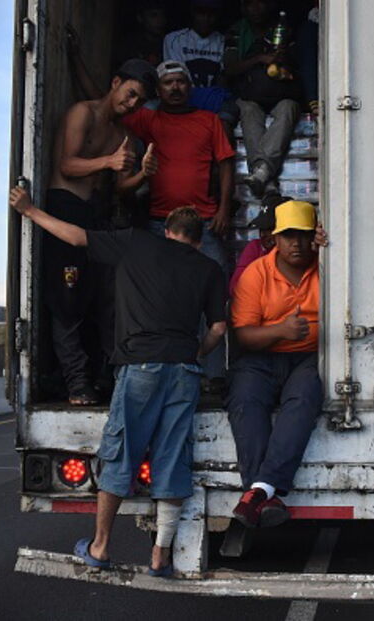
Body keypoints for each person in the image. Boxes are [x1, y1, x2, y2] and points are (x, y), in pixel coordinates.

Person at [9, 187, 227, 577]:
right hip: (184, 372)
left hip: (141, 366)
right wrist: (195, 354)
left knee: (121, 451)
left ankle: (101, 545)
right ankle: (161, 555)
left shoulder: (136, 244)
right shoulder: (208, 268)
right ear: (197, 238)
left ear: (168, 231)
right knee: (173, 456)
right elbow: (218, 328)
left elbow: (75, 236)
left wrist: (29, 211)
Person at [44, 58, 158, 405]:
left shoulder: (126, 136)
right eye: (131, 93)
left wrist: (143, 175)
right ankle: (76, 384)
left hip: (98, 217)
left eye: (140, 99)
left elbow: (123, 189)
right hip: (66, 209)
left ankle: (106, 378)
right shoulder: (83, 113)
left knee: (107, 300)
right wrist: (107, 162)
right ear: (115, 83)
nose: (133, 103)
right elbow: (66, 164)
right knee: (67, 302)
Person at [122, 59, 235, 385]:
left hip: (205, 224)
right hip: (161, 225)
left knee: (214, 300)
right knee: (162, 299)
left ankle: (213, 377)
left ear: (190, 87)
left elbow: (226, 165)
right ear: (158, 90)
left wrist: (224, 209)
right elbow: (110, 107)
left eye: (181, 82)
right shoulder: (149, 119)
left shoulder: (209, 121)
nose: (175, 88)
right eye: (168, 83)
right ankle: (171, 372)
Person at [227, 199, 323, 528]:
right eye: (288, 235)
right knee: (245, 402)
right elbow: (242, 336)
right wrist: (281, 330)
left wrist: (329, 247)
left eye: (304, 235)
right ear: (275, 239)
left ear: (315, 237)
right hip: (262, 357)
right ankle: (267, 492)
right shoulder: (257, 274)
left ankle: (255, 492)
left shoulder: (330, 267)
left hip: (308, 357)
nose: (296, 243)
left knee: (304, 400)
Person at [223, 0, 303, 198]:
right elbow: (230, 69)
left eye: (261, 3)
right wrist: (259, 59)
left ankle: (262, 172)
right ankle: (267, 178)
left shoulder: (281, 28)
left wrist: (284, 58)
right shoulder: (236, 31)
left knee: (289, 108)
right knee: (249, 112)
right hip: (249, 93)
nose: (256, 8)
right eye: (250, 4)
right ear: (243, 7)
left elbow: (298, 64)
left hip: (280, 92)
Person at [163, 0, 239, 132]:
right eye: (201, 13)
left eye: (211, 14)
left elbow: (225, 77)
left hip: (216, 99)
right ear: (193, 13)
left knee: (228, 114)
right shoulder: (174, 39)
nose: (206, 18)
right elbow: (175, 78)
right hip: (185, 98)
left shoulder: (224, 41)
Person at [113, 0, 168, 69]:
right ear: (140, 18)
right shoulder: (129, 45)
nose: (160, 20)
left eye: (162, 15)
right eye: (153, 15)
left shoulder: (169, 44)